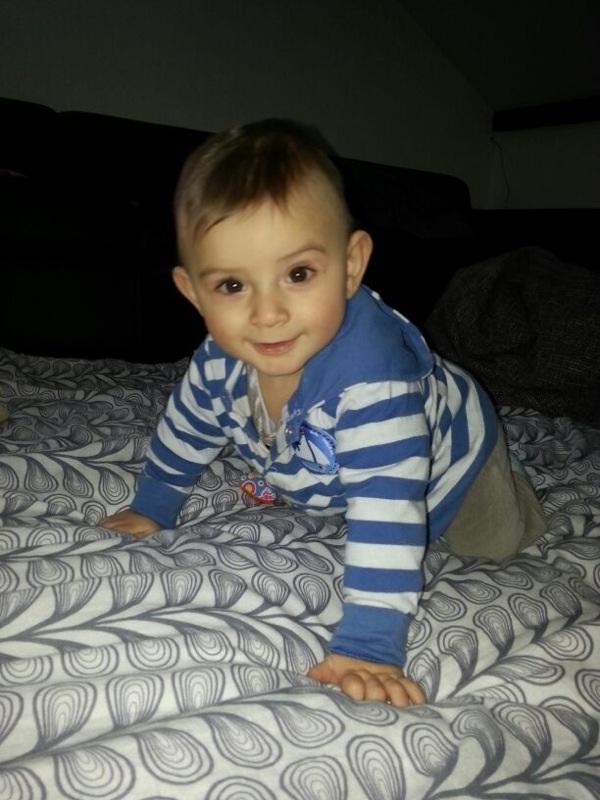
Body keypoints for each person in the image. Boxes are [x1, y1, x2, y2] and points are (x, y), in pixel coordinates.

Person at [100, 118, 545, 707]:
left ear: (352, 265)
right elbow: (186, 429)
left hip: (455, 452)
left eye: (298, 274)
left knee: (496, 541)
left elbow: (387, 508)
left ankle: (508, 477)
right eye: (232, 286)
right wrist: (152, 507)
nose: (268, 314)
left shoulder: (372, 383)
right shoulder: (217, 362)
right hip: (343, 453)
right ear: (193, 292)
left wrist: (369, 645)